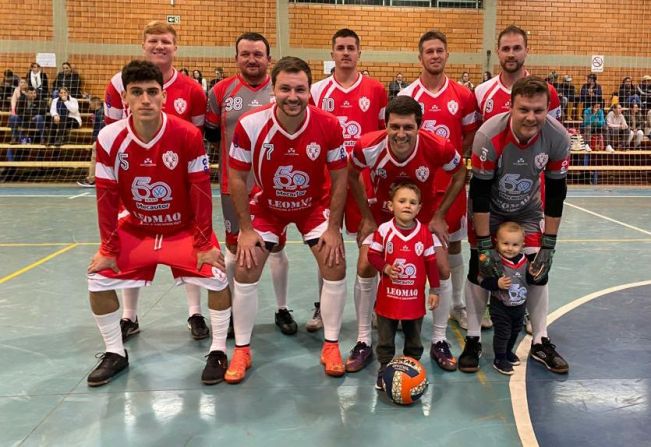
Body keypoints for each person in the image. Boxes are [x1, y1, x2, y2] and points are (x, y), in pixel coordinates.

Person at [87, 60, 231, 387]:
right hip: (136, 228)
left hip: (182, 229)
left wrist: (204, 243)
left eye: (152, 92)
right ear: (125, 98)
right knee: (97, 278)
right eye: (136, 93)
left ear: (164, 97)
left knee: (219, 274)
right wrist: (108, 249)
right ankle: (115, 352)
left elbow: (199, 193)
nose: (145, 100)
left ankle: (219, 349)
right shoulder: (109, 138)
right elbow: (106, 200)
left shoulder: (187, 135)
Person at [225, 56, 349, 383]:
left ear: (310, 92)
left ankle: (332, 345)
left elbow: (340, 178)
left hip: (313, 206)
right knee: (246, 265)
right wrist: (246, 229)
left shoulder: (329, 125)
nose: (292, 96)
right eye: (285, 89)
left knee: (335, 262)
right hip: (267, 206)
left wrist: (334, 228)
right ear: (273, 91)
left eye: (300, 89)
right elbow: (236, 177)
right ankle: (241, 349)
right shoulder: (251, 124)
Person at [103, 21, 209, 342]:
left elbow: (197, 137)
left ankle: (195, 313)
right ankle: (129, 316)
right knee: (130, 243)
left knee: (191, 242)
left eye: (165, 41)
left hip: (178, 181)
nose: (159, 46)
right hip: (133, 183)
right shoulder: (117, 83)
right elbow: (111, 135)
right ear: (143, 45)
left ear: (175, 47)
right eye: (153, 41)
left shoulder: (192, 89)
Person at [462, 76, 570, 375]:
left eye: (538, 110)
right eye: (524, 109)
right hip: (490, 210)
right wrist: (484, 245)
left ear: (548, 109)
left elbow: (557, 191)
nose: (531, 117)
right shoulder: (489, 135)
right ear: (511, 107)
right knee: (478, 269)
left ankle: (540, 339)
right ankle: (472, 339)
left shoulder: (558, 137)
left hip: (527, 210)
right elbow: (480, 193)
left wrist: (549, 244)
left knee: (537, 271)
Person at [349, 95, 466, 372]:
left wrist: (438, 215)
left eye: (408, 127)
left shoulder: (437, 146)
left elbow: (461, 173)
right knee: (365, 266)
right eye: (394, 127)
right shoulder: (367, 145)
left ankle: (438, 339)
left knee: (442, 267)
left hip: (423, 218)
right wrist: (366, 217)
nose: (400, 134)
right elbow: (351, 175)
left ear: (419, 126)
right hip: (380, 217)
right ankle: (363, 339)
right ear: (386, 125)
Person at [398, 30, 481, 370]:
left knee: (454, 244)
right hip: (414, 184)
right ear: (420, 58)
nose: (434, 56)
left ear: (447, 55)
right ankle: (405, 306)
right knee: (407, 242)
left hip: (449, 181)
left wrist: (453, 160)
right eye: (428, 51)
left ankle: (458, 306)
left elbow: (470, 134)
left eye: (439, 51)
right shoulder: (406, 95)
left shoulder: (463, 95)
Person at [473, 25, 562, 334]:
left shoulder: (547, 93)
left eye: (517, 48)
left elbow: (550, 141)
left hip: (528, 196)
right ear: (498, 52)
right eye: (506, 48)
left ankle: (533, 325)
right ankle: (483, 315)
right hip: (491, 191)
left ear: (526, 51)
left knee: (532, 263)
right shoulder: (482, 93)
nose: (512, 54)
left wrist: (550, 238)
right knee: (484, 258)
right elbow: (478, 144)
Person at [205, 32, 295, 335]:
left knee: (277, 250)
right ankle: (231, 311)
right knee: (234, 250)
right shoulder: (220, 92)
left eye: (258, 54)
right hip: (235, 186)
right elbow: (213, 137)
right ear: (236, 58)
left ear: (269, 58)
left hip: (275, 187)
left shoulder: (282, 89)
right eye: (246, 54)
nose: (252, 59)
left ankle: (282, 309)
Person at [310, 28, 388, 372]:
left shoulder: (376, 90)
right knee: (326, 247)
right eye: (340, 48)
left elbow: (385, 137)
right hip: (326, 181)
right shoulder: (316, 90)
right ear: (332, 51)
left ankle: (370, 309)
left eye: (351, 48)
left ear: (360, 53)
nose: (345, 53)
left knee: (366, 248)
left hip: (361, 181)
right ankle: (320, 306)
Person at [367, 181, 440, 389]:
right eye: (402, 201)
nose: (407, 205)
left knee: (414, 338)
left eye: (412, 202)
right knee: (385, 338)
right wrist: (386, 268)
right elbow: (372, 255)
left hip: (413, 300)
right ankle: (384, 367)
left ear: (419, 208)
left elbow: (431, 263)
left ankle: (413, 367)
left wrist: (434, 289)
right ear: (391, 206)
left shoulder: (424, 233)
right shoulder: (384, 230)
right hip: (388, 299)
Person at [480, 222, 538, 375]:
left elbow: (530, 282)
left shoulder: (526, 262)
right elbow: (483, 281)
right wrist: (497, 283)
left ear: (522, 245)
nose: (510, 248)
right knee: (503, 332)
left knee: (515, 331)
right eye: (505, 243)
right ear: (496, 242)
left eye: (515, 244)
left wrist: (533, 274)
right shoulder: (494, 262)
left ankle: (507, 352)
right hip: (500, 306)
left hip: (520, 306)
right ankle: (499, 358)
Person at [77, 96, 105, 187]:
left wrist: (96, 140)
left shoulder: (101, 113)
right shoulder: (97, 112)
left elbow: (101, 128)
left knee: (94, 158)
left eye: (90, 103)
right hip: (100, 139)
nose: (89, 105)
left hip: (101, 140)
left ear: (96, 103)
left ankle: (91, 180)